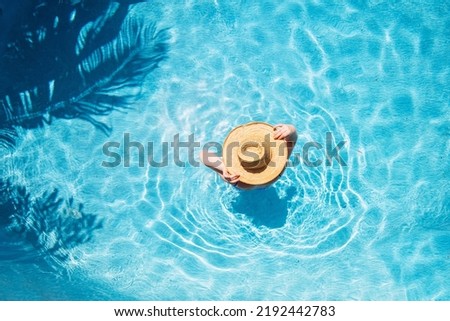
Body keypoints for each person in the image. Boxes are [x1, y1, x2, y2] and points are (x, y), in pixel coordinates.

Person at [200, 122, 297, 190]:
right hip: (267, 188)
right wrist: (290, 129)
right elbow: (293, 139)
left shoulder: (237, 178)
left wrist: (223, 169)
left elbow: (204, 155)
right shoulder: (278, 171)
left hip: (244, 190)